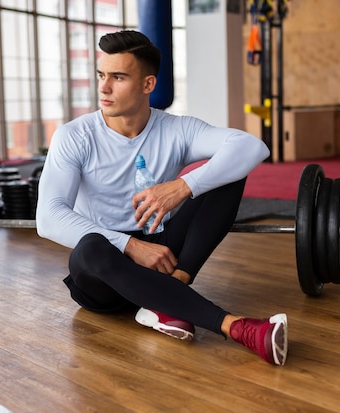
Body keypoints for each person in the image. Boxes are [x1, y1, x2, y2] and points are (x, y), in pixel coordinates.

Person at [36, 30, 288, 366]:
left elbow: (252, 147)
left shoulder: (176, 129)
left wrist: (184, 186)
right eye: (101, 75)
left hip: (166, 255)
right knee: (90, 246)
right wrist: (130, 245)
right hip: (104, 273)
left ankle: (169, 294)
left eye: (118, 77)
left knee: (229, 175)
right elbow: (48, 217)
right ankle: (237, 327)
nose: (104, 87)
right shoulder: (74, 136)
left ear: (148, 85)